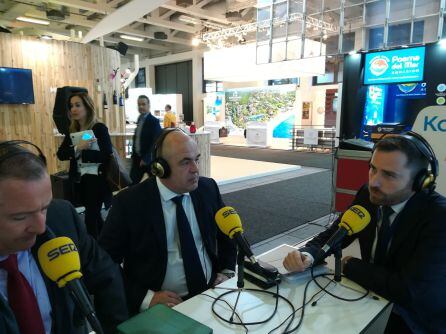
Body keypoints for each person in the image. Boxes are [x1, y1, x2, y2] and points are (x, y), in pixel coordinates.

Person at [283, 133, 446, 333]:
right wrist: (307, 255)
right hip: (370, 297)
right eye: (372, 169)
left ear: (421, 181)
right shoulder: (368, 195)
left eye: (389, 175)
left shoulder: (439, 217)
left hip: (413, 319)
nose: (374, 182)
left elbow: (411, 291)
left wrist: (349, 265)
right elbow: (337, 233)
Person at [99, 129, 236, 316]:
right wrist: (146, 298)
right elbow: (104, 262)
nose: (196, 169)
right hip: (160, 307)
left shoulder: (207, 188)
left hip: (211, 294)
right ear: (160, 168)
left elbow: (228, 235)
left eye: (196, 159)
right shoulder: (130, 203)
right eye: (185, 162)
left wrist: (227, 270)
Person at [0, 140, 128, 334]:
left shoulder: (61, 218)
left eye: (44, 208)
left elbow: (107, 277)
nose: (41, 226)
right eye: (20, 217)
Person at [57, 92, 112, 239]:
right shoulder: (72, 131)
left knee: (90, 219)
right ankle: (106, 244)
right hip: (80, 180)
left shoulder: (99, 128)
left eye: (77, 105)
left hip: (97, 180)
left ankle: (94, 253)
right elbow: (61, 154)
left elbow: (107, 155)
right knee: (94, 217)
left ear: (87, 107)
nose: (73, 109)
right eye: (71, 106)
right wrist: (78, 148)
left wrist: (88, 150)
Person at [130, 95, 161, 185]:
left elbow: (156, 142)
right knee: (132, 185)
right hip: (137, 159)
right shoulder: (139, 119)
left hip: (149, 161)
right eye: (139, 105)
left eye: (143, 104)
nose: (141, 107)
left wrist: (147, 159)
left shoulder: (154, 121)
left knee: (155, 185)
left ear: (149, 105)